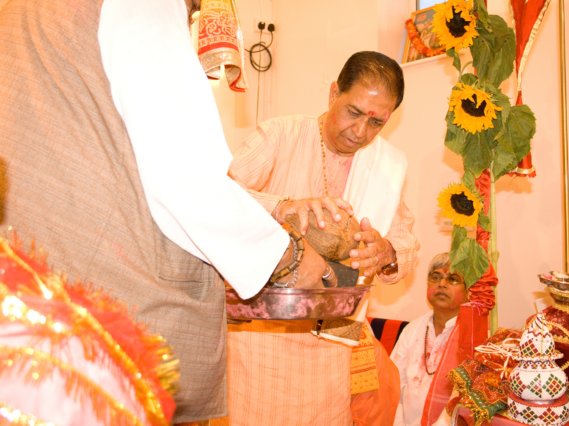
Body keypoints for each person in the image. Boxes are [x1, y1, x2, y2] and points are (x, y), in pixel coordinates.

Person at [0, 0, 333, 423]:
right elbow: (186, 174)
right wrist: (287, 258)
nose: (193, 13)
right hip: (108, 341)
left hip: (27, 314)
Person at [227, 51, 419, 425]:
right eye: (353, 112)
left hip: (331, 346)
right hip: (260, 340)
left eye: (376, 122)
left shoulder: (383, 167)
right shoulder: (281, 135)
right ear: (333, 94)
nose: (360, 131)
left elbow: (406, 241)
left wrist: (386, 251)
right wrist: (281, 206)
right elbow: (218, 195)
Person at [390, 252, 468, 426]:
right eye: (435, 277)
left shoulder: (471, 338)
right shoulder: (412, 330)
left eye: (453, 279)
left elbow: (466, 405)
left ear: (467, 292)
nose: (442, 284)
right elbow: (393, 386)